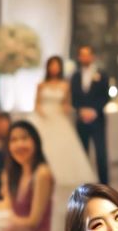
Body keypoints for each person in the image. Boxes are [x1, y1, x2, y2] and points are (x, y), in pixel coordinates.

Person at [29, 56, 97, 189]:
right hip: (43, 117)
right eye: (51, 65)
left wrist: (66, 109)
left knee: (62, 146)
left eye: (56, 65)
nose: (54, 68)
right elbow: (36, 103)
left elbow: (67, 103)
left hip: (59, 117)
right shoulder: (41, 85)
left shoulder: (65, 85)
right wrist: (41, 112)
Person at [70, 45, 110, 185]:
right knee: (82, 152)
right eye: (82, 55)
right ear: (79, 57)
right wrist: (80, 110)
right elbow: (73, 97)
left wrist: (94, 110)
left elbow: (105, 96)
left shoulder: (102, 74)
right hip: (81, 119)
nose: (85, 57)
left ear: (92, 56)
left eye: (88, 54)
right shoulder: (75, 76)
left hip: (97, 119)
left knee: (101, 153)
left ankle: (104, 184)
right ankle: (84, 182)